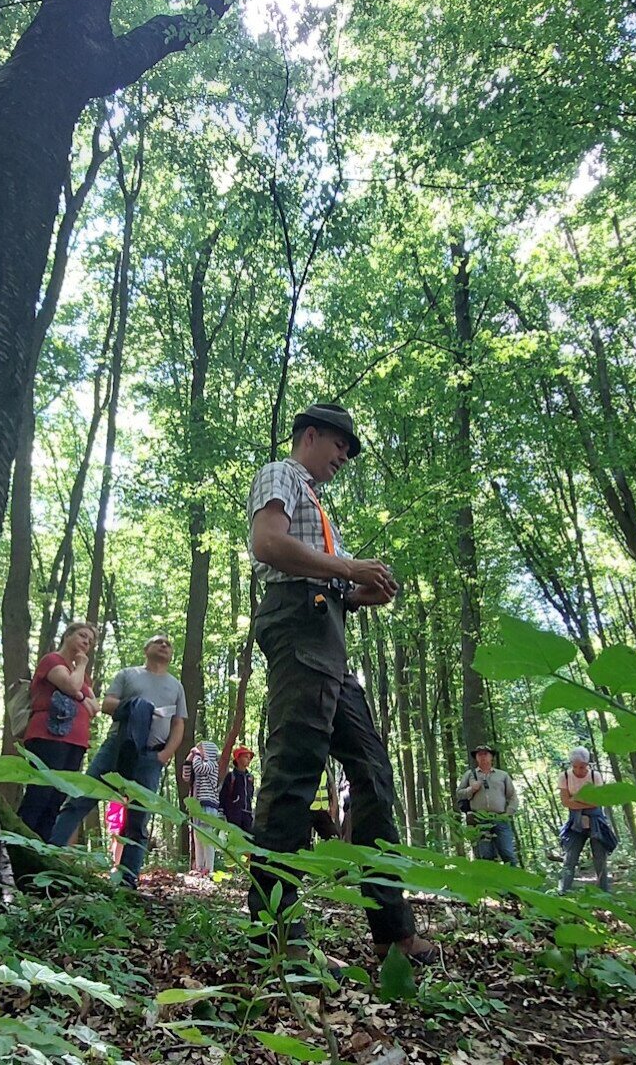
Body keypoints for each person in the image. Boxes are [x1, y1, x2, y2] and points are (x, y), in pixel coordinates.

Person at [244, 403, 435, 965]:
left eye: (348, 453)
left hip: (329, 638)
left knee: (373, 772)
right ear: (310, 436)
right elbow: (267, 545)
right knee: (294, 769)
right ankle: (277, 935)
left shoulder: (320, 509)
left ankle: (392, 930)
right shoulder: (281, 475)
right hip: (297, 626)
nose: (344, 459)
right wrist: (348, 569)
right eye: (339, 446)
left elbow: (335, 582)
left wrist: (362, 590)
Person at [46, 634, 188, 887]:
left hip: (150, 756)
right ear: (146, 648)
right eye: (158, 641)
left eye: (168, 644)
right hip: (116, 748)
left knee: (138, 818)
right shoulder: (128, 675)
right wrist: (136, 707)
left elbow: (178, 724)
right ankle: (50, 857)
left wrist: (164, 755)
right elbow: (108, 704)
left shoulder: (176, 686)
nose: (164, 645)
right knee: (80, 799)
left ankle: (128, 879)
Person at [17, 621, 97, 843]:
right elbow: (71, 686)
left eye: (90, 641)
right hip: (48, 736)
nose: (86, 642)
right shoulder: (52, 661)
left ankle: (42, 848)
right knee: (40, 793)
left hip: (76, 741)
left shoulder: (82, 676)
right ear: (67, 635)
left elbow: (95, 707)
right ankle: (20, 845)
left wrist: (79, 693)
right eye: (82, 636)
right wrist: (81, 667)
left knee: (57, 798)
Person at [557, 748, 611, 891]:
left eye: (582, 767)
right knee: (570, 857)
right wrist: (586, 801)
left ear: (587, 764)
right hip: (575, 821)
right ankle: (563, 891)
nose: (578, 770)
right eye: (575, 766)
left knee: (600, 858)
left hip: (596, 820)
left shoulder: (595, 776)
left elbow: (598, 801)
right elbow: (565, 802)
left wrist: (575, 799)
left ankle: (604, 892)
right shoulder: (564, 777)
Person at [458, 744, 519, 865]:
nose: (482, 757)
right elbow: (459, 794)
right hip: (479, 820)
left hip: (500, 817)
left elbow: (512, 796)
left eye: (485, 754)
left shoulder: (502, 775)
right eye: (479, 754)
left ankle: (516, 877)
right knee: (486, 855)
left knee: (507, 853)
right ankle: (490, 877)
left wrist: (508, 814)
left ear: (491, 757)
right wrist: (472, 789)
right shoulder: (469, 775)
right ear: (476, 758)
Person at [183, 740, 222, 876]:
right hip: (197, 804)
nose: (197, 752)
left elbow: (200, 768)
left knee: (207, 836)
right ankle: (199, 867)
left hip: (208, 804)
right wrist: (189, 759)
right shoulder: (198, 764)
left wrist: (197, 755)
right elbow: (186, 776)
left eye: (201, 749)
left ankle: (209, 868)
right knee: (197, 836)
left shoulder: (212, 765)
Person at [219, 746, 257, 834]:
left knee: (248, 837)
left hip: (247, 814)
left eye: (249, 758)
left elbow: (250, 794)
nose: (248, 760)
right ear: (238, 758)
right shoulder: (231, 776)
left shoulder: (250, 777)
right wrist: (221, 810)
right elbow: (223, 794)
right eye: (246, 757)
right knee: (235, 836)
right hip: (234, 814)